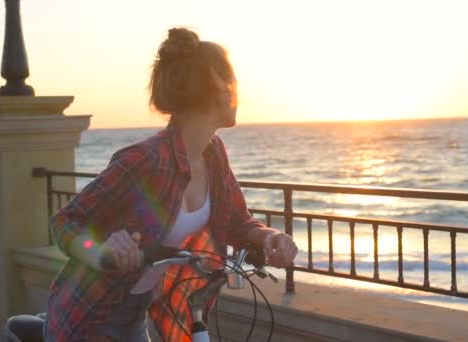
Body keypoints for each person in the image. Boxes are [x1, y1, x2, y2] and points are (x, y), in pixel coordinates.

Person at [43, 27, 298, 342]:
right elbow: (64, 222)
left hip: (139, 312)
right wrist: (100, 251)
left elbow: (235, 220)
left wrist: (268, 236)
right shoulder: (146, 161)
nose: (238, 93)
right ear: (217, 86)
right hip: (91, 314)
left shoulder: (214, 154)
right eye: (233, 81)